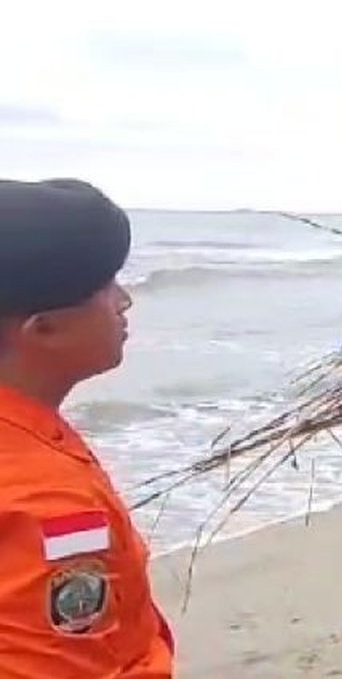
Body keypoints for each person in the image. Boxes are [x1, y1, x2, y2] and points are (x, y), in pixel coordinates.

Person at [0, 179, 174, 677]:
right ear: (44, 329)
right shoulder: (39, 498)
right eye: (105, 285)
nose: (125, 301)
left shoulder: (29, 428)